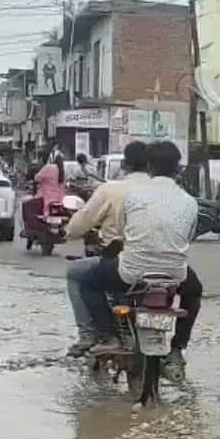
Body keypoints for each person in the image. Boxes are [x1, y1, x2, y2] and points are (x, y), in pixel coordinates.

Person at [81, 141, 202, 364]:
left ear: (149, 166)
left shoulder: (134, 197)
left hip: (132, 273)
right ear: (178, 168)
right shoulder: (190, 202)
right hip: (175, 275)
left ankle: (109, 336)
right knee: (194, 292)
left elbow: (124, 231)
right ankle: (177, 347)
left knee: (87, 281)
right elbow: (189, 236)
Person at [62, 141, 152, 355]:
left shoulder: (111, 190)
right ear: (150, 165)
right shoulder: (164, 192)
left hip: (122, 262)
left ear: (125, 165)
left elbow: (76, 227)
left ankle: (93, 335)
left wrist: (70, 231)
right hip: (162, 267)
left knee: (76, 274)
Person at [22, 151, 67, 236]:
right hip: (60, 199)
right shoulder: (63, 171)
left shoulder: (48, 168)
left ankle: (29, 229)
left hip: (45, 198)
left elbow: (37, 178)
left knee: (26, 205)